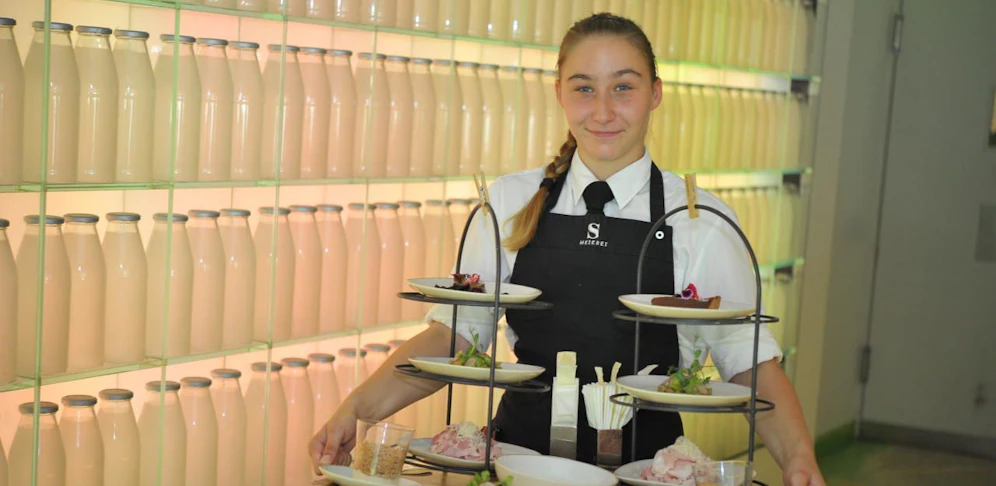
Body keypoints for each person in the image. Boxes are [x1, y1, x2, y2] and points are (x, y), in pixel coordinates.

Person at [311, 13, 825, 486]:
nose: (603, 111)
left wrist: (800, 460)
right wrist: (355, 410)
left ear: (655, 94)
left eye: (623, 87)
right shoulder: (511, 202)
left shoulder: (697, 220)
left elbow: (750, 364)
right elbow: (453, 338)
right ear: (560, 93)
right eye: (585, 88)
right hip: (516, 465)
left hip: (652, 473)